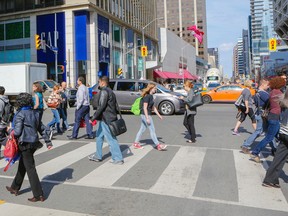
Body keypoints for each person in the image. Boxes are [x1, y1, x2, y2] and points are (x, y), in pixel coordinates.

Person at [5, 93, 52, 202]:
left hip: (25, 144)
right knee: (23, 165)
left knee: (30, 169)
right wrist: (48, 142)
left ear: (20, 102)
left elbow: (17, 132)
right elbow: (42, 128)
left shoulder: (20, 113)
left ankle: (38, 194)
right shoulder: (35, 113)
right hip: (34, 143)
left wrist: (9, 130)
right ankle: (15, 187)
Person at [88, 76, 124, 164]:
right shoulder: (110, 91)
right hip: (105, 118)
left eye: (99, 82)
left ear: (103, 83)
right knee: (99, 136)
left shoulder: (104, 91)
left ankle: (118, 158)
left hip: (106, 119)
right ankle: (98, 155)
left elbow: (101, 106)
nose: (99, 84)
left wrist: (93, 118)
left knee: (111, 139)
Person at [250, 76, 285, 163]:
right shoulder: (279, 93)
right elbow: (284, 105)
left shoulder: (272, 92)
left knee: (279, 136)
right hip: (275, 117)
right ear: (280, 84)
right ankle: (255, 152)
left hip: (272, 116)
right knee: (269, 137)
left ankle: (277, 151)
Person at [262, 88, 288, 188]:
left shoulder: (283, 103)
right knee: (279, 157)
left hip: (283, 133)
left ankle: (270, 180)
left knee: (279, 158)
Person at [133, 83, 167, 151]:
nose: (156, 89)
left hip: (145, 115)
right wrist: (147, 118)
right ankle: (158, 145)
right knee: (152, 130)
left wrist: (159, 115)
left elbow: (153, 107)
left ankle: (136, 143)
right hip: (146, 115)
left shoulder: (151, 96)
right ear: (151, 88)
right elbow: (145, 108)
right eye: (155, 88)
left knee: (142, 129)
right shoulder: (147, 96)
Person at [241, 79, 270, 153]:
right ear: (263, 85)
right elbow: (270, 102)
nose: (268, 86)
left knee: (266, 132)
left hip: (260, 114)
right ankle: (245, 145)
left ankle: (274, 149)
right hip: (262, 114)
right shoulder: (263, 93)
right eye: (267, 85)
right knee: (260, 131)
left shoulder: (258, 92)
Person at [0, 86, 9, 157]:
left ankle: (14, 148)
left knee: (2, 139)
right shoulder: (6, 100)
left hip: (1, 123)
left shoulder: (0, 101)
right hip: (4, 123)